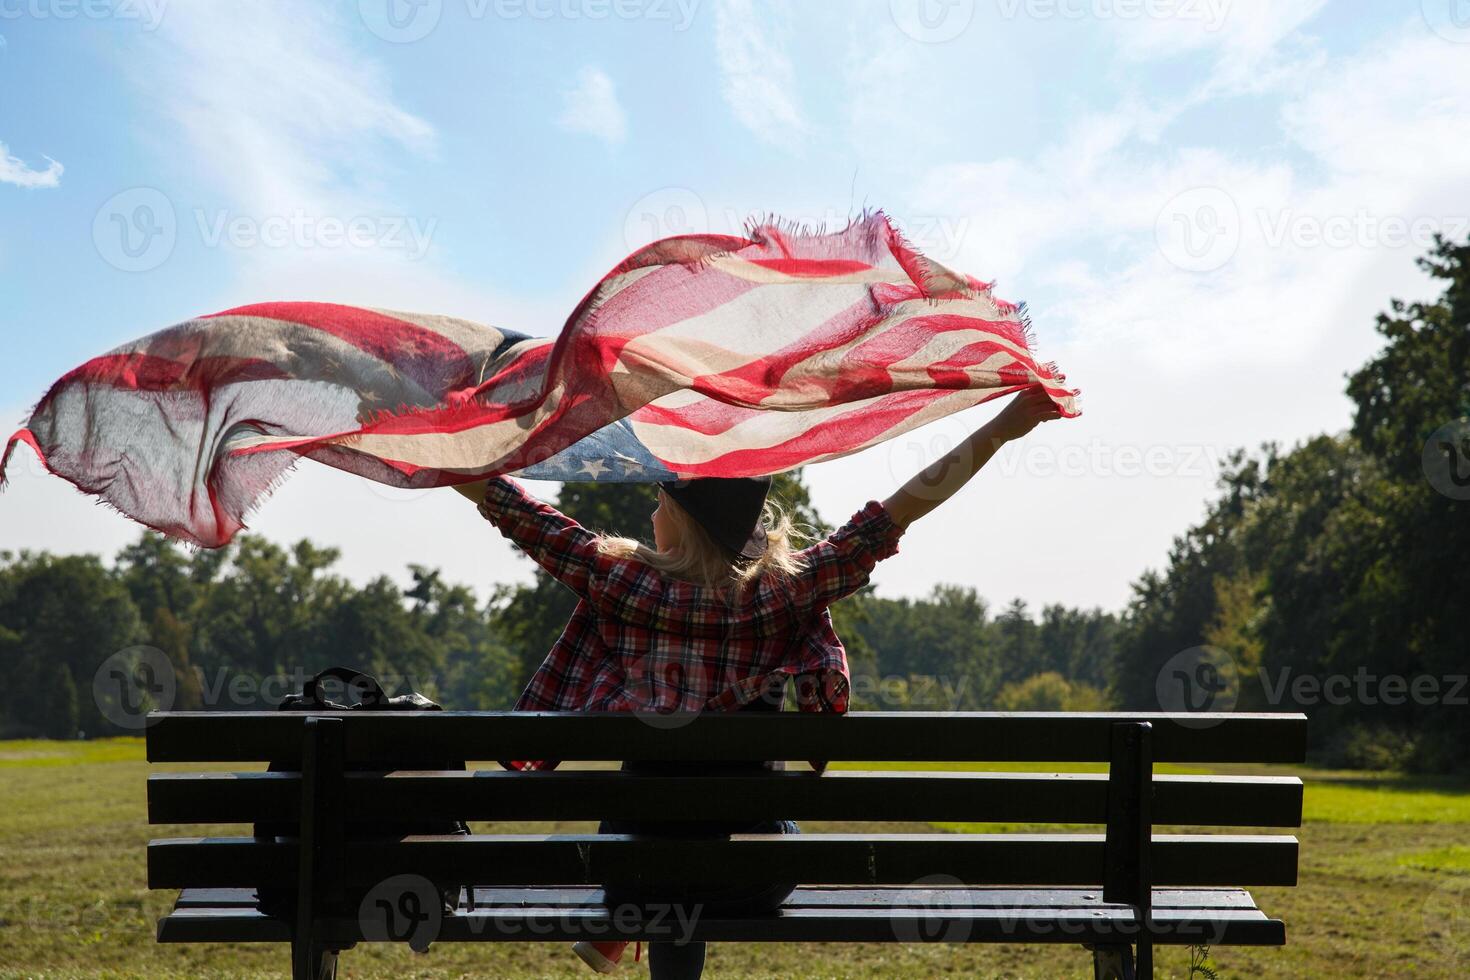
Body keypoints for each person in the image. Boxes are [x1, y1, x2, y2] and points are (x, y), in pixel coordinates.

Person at [452, 386, 1062, 978]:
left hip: (634, 871)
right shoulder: (787, 592)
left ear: (685, 522)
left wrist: (421, 437)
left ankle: (621, 925)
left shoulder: (620, 580)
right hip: (752, 875)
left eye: (662, 504)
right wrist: (1003, 428)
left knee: (650, 821)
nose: (651, 511)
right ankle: (641, 907)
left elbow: (512, 508)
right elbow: (897, 510)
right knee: (740, 824)